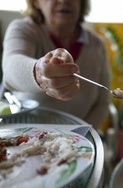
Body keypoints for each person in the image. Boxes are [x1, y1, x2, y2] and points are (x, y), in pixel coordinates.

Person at [2, 0, 111, 128]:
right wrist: (40, 74)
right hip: (26, 137)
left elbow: (103, 103)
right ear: (36, 2)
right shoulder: (23, 29)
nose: (63, 1)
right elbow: (10, 67)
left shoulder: (97, 45)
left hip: (79, 141)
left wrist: (79, 136)